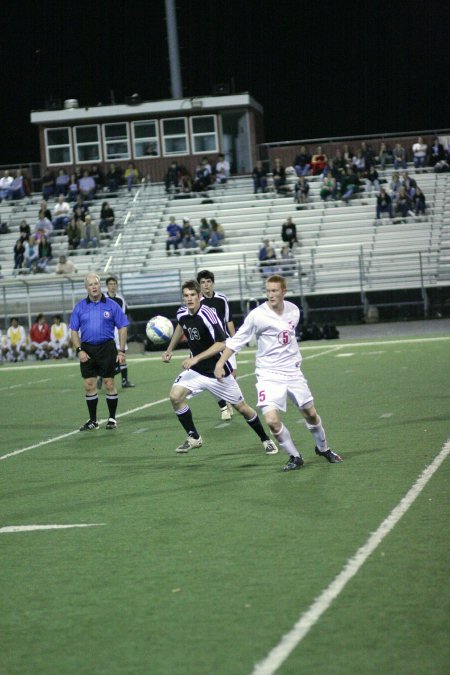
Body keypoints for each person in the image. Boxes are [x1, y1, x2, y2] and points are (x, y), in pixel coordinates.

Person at [214, 274, 342, 471]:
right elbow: (236, 341)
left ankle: (323, 448)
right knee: (272, 421)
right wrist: (221, 362)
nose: (271, 295)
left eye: (274, 291)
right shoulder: (257, 315)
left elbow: (288, 338)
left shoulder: (294, 311)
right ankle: (294, 456)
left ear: (284, 292)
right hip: (268, 374)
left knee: (311, 414)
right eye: (268, 291)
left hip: (292, 371)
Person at [161, 279, 278, 455]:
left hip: (217, 371)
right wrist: (169, 349)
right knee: (175, 396)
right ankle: (194, 437)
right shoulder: (182, 313)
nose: (189, 298)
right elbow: (180, 326)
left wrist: (195, 358)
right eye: (186, 296)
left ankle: (265, 439)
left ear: (199, 296)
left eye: (193, 295)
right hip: (196, 371)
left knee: (242, 408)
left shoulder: (208, 315)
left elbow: (222, 343)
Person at [69, 273, 129, 431]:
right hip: (87, 349)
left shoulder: (111, 305)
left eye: (96, 283)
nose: (94, 287)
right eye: (91, 284)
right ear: (86, 288)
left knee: (109, 383)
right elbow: (74, 331)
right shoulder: (80, 307)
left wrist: (121, 351)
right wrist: (79, 350)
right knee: (89, 385)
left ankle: (112, 418)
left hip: (107, 348)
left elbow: (123, 326)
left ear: (100, 285)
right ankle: (93, 420)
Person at [197, 269, 237, 421]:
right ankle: (223, 406)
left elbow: (229, 320)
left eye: (208, 282)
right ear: (199, 285)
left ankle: (229, 400)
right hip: (209, 346)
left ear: (212, 283)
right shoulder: (197, 303)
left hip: (225, 342)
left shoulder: (221, 299)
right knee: (213, 378)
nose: (206, 285)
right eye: (202, 282)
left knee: (232, 375)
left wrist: (235, 341)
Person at [97, 275, 135, 389]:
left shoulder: (120, 299)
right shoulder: (102, 298)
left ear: (117, 285)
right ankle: (102, 376)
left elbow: (123, 315)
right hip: (106, 330)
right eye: (110, 284)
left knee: (121, 354)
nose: (112, 286)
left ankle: (124, 381)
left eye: (114, 284)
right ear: (107, 286)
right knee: (106, 356)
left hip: (117, 329)